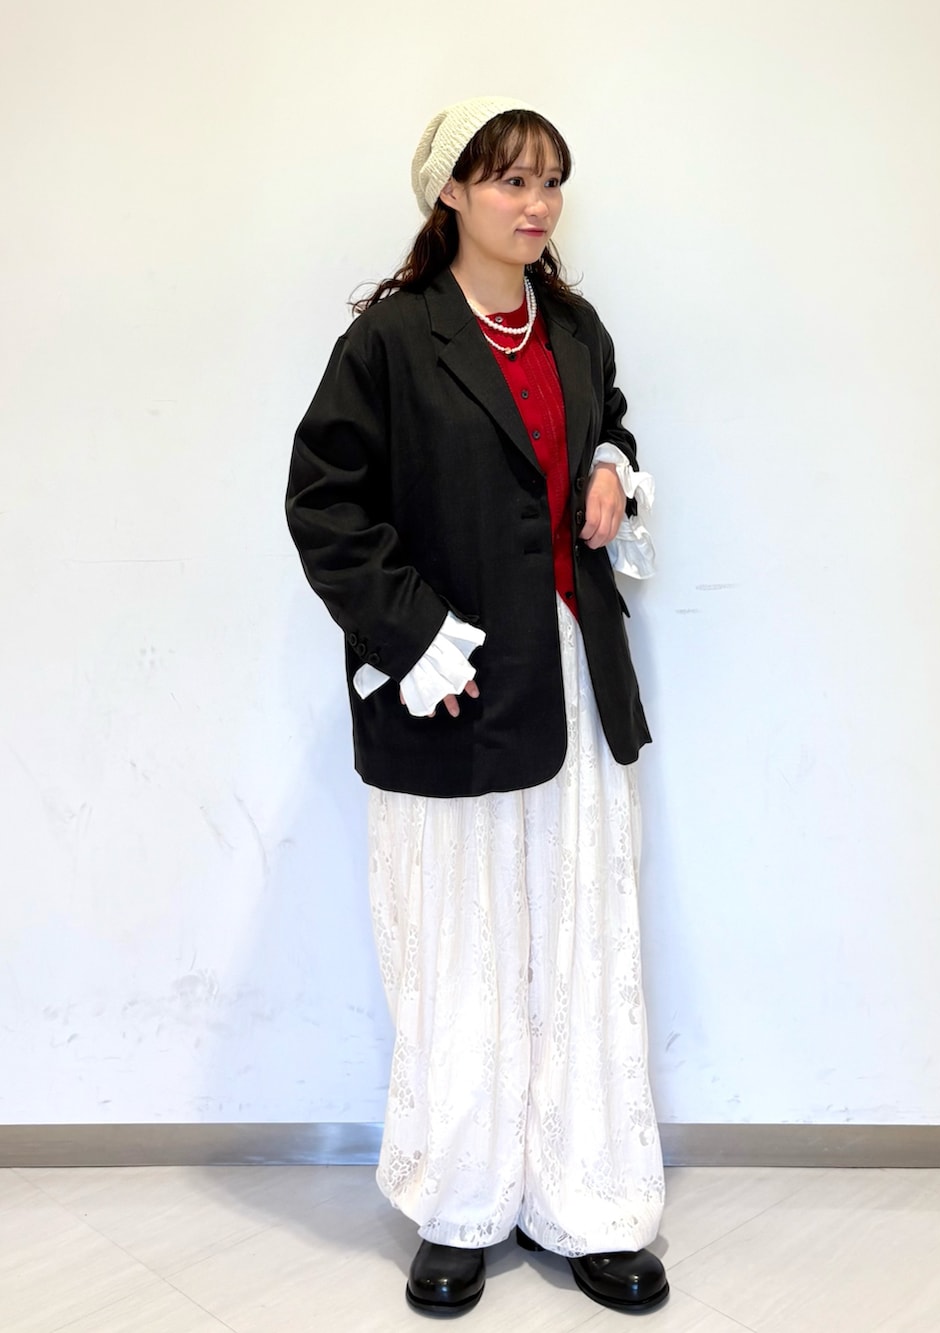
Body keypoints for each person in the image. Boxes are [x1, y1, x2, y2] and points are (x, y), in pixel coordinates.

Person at [286, 96, 666, 1316]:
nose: (535, 203)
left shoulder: (575, 328)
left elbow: (607, 422)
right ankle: (458, 1205)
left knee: (577, 936)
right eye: (508, 179)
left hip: (570, 677)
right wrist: (413, 636)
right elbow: (325, 505)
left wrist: (608, 466)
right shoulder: (392, 342)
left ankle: (589, 1202)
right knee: (463, 944)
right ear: (449, 191)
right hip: (451, 686)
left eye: (549, 180)